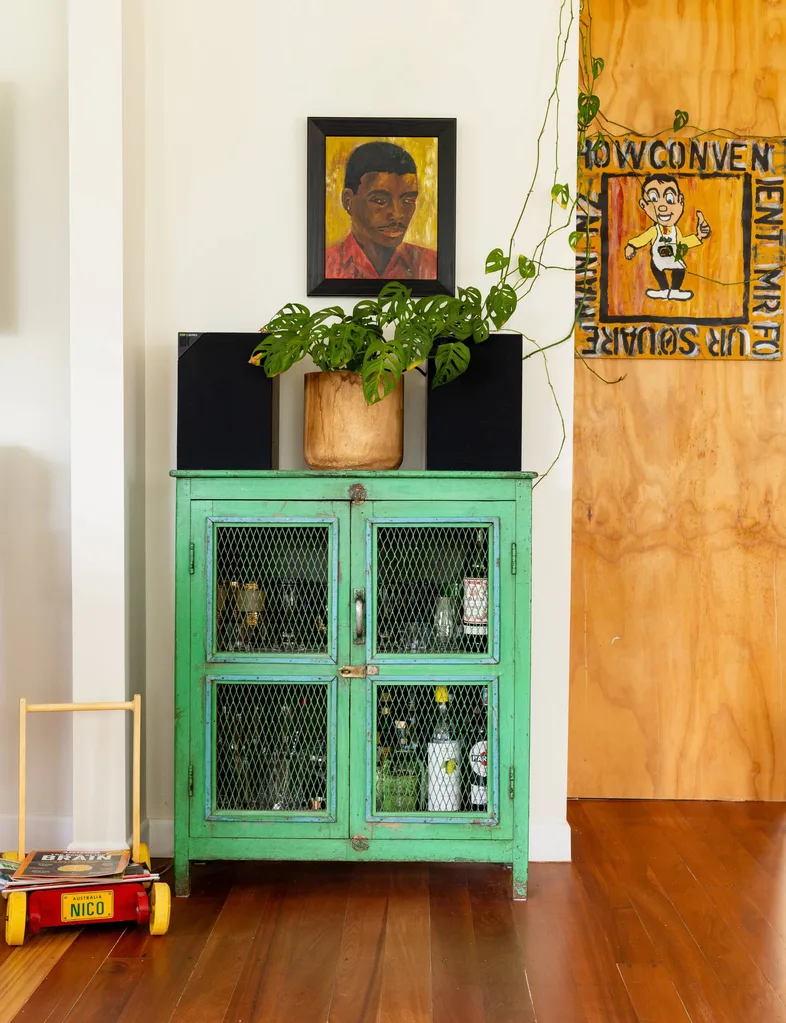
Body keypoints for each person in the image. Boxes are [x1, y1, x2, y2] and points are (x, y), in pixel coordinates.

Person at [325, 141, 437, 281]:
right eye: (379, 201)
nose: (397, 215)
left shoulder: (432, 265)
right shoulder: (326, 266)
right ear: (348, 201)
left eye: (408, 201)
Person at [624, 173, 711, 300]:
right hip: (658, 260)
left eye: (669, 199)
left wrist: (699, 237)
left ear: (680, 202)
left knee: (679, 270)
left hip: (674, 259)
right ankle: (663, 290)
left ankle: (675, 290)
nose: (662, 206)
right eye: (653, 199)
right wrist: (631, 246)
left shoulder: (675, 231)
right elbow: (642, 239)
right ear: (643, 204)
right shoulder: (654, 231)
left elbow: (682, 242)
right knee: (657, 269)